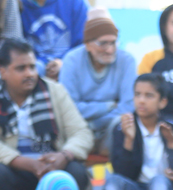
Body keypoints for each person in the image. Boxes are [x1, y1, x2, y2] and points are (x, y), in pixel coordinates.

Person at [0, 39, 93, 190]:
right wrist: (29, 164)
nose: (29, 74)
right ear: (3, 72)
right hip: (15, 172)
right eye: (21, 68)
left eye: (32, 67)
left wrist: (64, 156)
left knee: (76, 171)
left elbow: (82, 133)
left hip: (53, 171)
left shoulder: (54, 90)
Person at [58, 9, 136, 155]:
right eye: (103, 43)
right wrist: (108, 105)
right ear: (87, 44)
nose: (110, 50)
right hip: (79, 127)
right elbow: (68, 108)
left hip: (110, 126)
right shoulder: (71, 60)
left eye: (113, 43)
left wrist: (95, 122)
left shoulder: (127, 61)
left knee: (122, 123)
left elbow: (127, 107)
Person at [107, 73, 173, 190]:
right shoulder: (121, 128)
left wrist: (172, 144)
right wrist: (129, 140)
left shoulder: (172, 129)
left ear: (162, 102)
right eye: (137, 95)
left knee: (158, 182)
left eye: (149, 96)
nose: (141, 100)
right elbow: (122, 174)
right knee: (112, 182)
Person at [20, 0, 87, 80]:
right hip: (33, 69)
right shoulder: (18, 5)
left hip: (71, 67)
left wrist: (64, 63)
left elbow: (84, 46)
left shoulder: (76, 3)